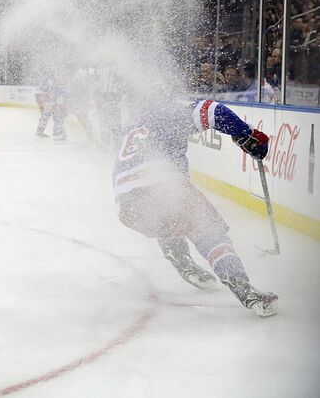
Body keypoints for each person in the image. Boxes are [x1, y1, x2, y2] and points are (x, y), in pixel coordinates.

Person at [113, 98, 278, 317]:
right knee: (208, 230)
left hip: (125, 205)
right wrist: (246, 133)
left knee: (169, 217)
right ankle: (245, 290)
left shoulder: (131, 128)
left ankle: (184, 264)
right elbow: (211, 109)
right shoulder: (167, 113)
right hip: (156, 183)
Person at [35, 74, 67, 142]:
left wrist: (41, 103)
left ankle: (40, 131)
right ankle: (57, 133)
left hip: (51, 102)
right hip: (52, 102)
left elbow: (39, 92)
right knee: (56, 116)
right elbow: (40, 92)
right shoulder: (53, 81)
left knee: (46, 116)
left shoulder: (47, 80)